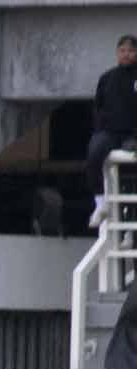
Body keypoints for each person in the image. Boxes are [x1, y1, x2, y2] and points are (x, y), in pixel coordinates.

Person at [87, 35, 137, 228]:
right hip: (110, 132)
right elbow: (98, 108)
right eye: (123, 51)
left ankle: (129, 230)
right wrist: (101, 129)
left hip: (133, 134)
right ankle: (100, 203)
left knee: (129, 171)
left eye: (131, 51)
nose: (126, 54)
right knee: (94, 152)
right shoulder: (107, 78)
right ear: (117, 53)